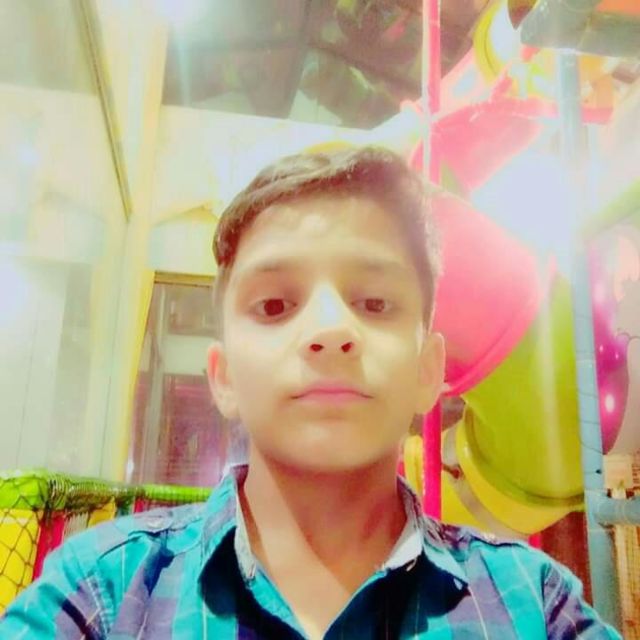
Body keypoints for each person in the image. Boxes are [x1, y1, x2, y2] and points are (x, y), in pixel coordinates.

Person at [0, 146, 621, 639]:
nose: (329, 331)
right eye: (274, 305)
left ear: (428, 371)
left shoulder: (534, 603)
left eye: (374, 302)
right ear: (223, 376)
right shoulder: (103, 591)